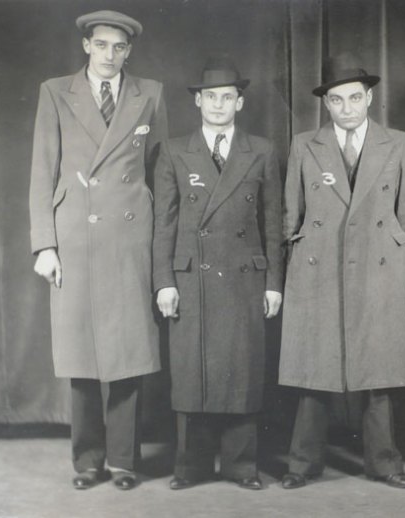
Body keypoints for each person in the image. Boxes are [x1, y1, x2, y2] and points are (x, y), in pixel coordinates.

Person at [29, 10, 168, 490]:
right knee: (82, 356)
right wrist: (44, 244)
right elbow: (42, 170)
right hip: (76, 238)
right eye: (102, 44)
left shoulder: (149, 93)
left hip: (130, 237)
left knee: (127, 353)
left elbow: (160, 172)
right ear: (87, 46)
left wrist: (160, 248)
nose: (110, 55)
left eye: (119, 47)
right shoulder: (55, 92)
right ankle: (88, 461)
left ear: (129, 51)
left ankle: (124, 462)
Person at [278, 52, 405, 490]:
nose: (346, 108)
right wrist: (296, 273)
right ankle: (302, 465)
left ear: (370, 97)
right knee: (314, 371)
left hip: (378, 269)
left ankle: (385, 463)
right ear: (326, 104)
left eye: (354, 98)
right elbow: (291, 214)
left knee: (377, 373)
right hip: (318, 269)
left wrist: (403, 278)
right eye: (336, 100)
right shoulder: (305, 144)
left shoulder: (398, 143)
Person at [152, 57, 283, 491]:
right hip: (191, 279)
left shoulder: (261, 150)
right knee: (192, 374)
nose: (219, 104)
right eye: (211, 96)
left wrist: (274, 284)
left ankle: (241, 467)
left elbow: (273, 221)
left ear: (240, 103)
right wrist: (164, 282)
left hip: (245, 277)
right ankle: (189, 468)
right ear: (197, 101)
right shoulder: (173, 150)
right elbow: (163, 223)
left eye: (228, 96)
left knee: (242, 373)